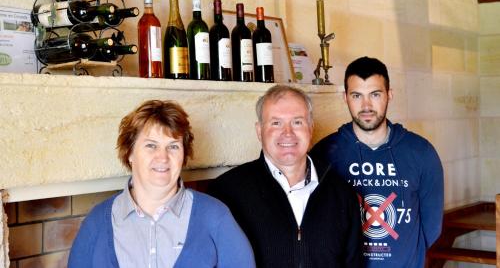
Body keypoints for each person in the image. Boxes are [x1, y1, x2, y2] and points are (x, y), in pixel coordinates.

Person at [68, 100, 255, 268]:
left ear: (183, 155)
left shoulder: (215, 217)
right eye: (151, 145)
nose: (163, 157)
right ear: (130, 153)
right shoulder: (96, 222)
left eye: (173, 146)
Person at [310, 56, 444, 268]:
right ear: (345, 97)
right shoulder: (324, 153)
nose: (366, 105)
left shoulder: (421, 152)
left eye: (375, 94)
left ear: (389, 95)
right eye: (357, 95)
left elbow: (431, 227)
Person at [209, 85, 363, 268]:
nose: (287, 133)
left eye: (297, 122)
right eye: (276, 123)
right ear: (259, 131)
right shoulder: (226, 192)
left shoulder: (342, 193)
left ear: (310, 128)